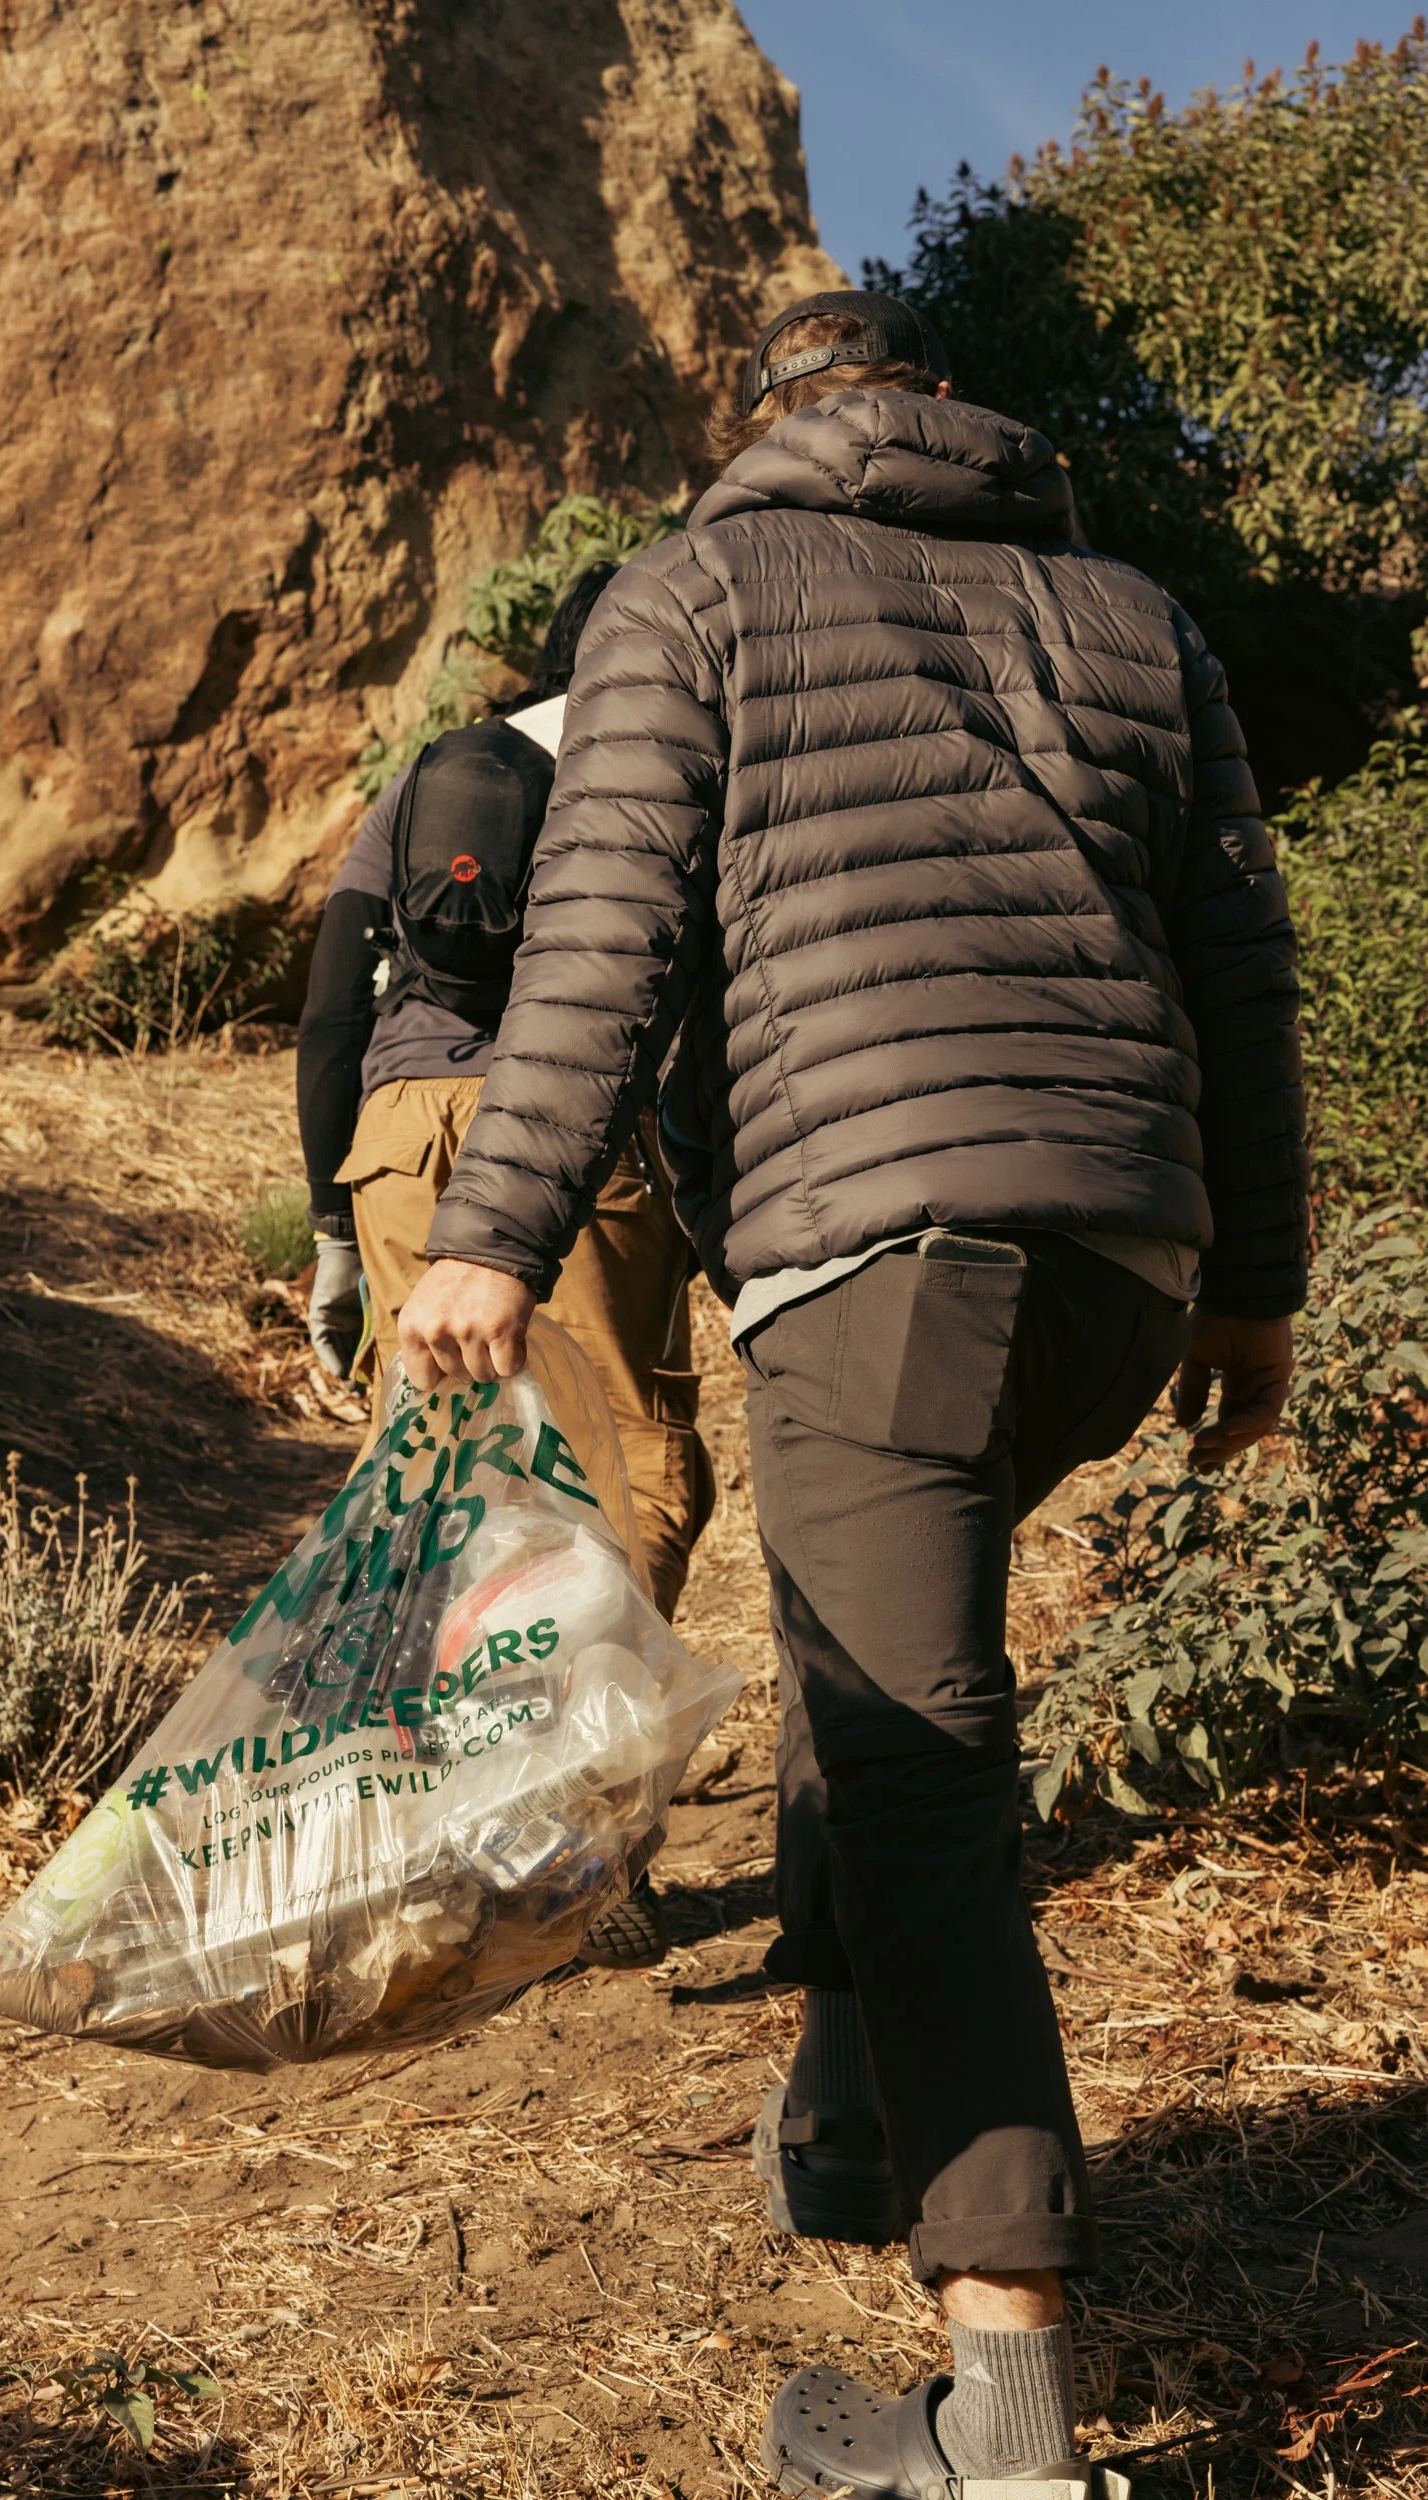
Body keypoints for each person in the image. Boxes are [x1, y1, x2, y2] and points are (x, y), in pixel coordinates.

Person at [391, 289, 1306, 2497]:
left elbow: (603, 924)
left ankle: (995, 2420)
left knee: (911, 1769)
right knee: (862, 1645)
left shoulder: (689, 587)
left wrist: (489, 1226)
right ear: (946, 409)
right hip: (1117, 1251)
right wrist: (1255, 1282)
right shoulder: (1128, 610)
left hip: (873, 1241)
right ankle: (841, 2099)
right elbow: (1236, 961)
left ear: (771, 419)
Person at [295, 565, 716, 1971]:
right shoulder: (653, 762)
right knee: (627, 1475)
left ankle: (389, 1842)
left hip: (398, 1139)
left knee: (420, 1480)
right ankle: (576, 1842)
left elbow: (325, 1016)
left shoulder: (437, 773)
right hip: (579, 1136)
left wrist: (326, 1230)